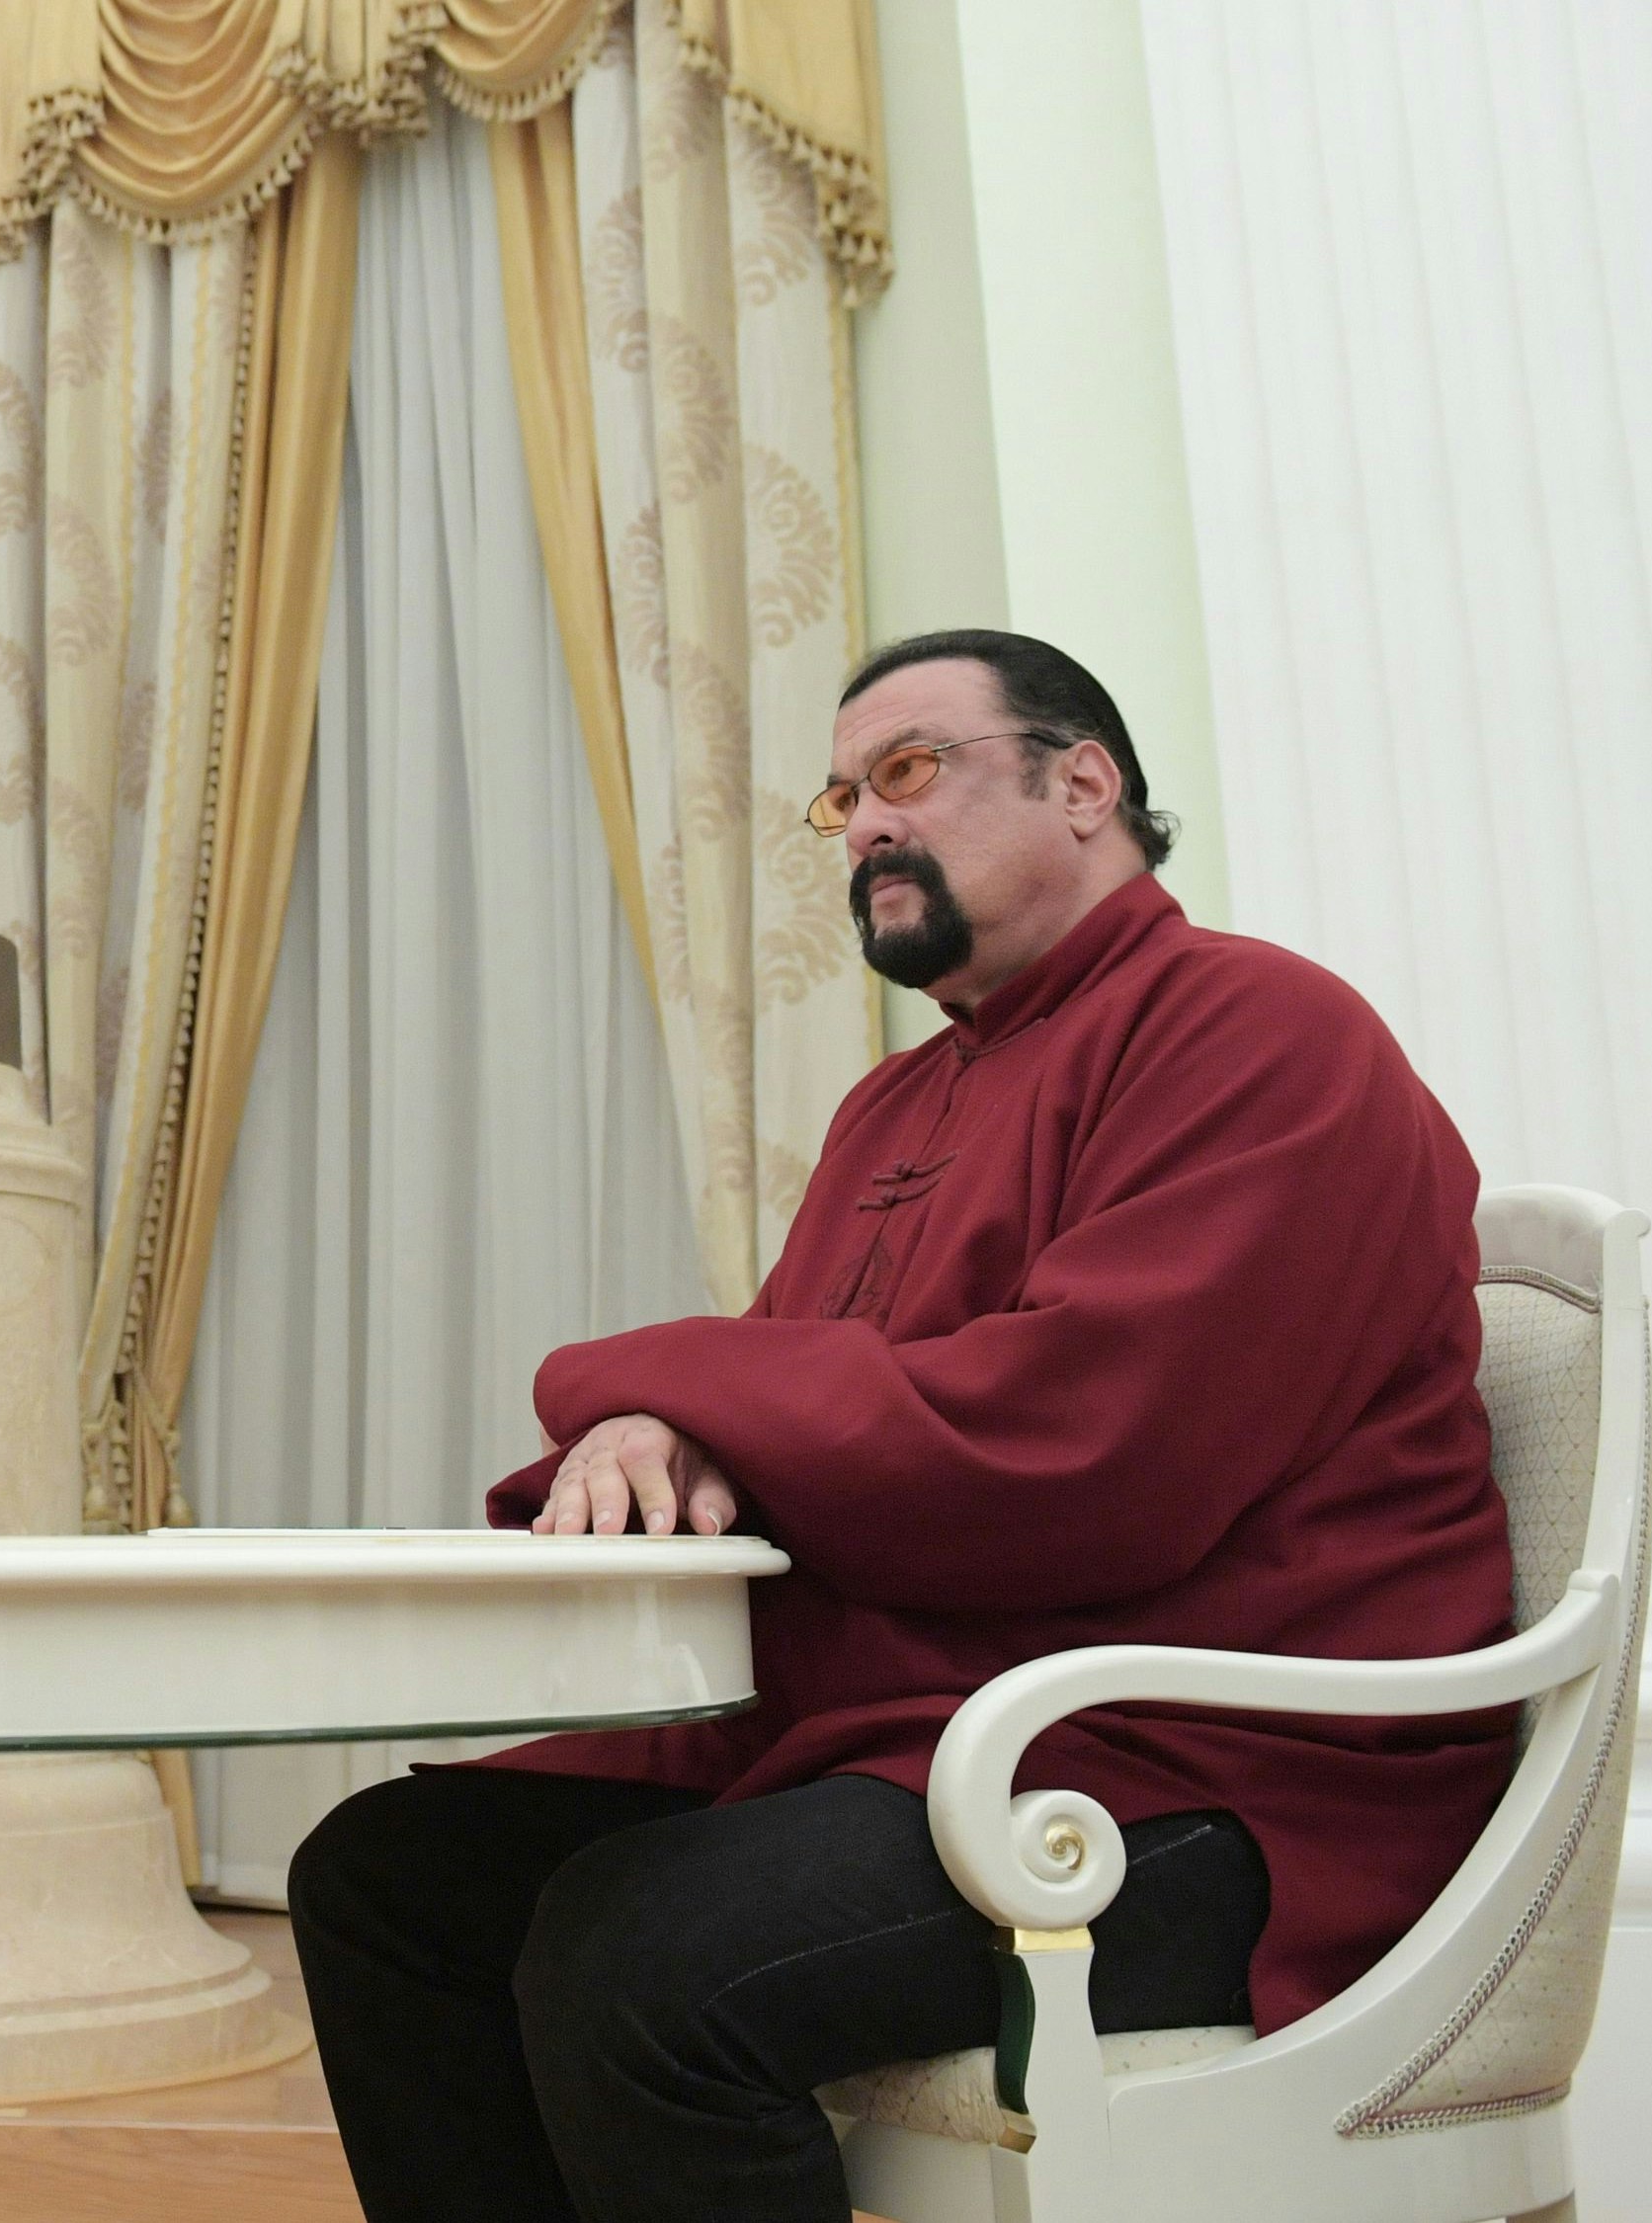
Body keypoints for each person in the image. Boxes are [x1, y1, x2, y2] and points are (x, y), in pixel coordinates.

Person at [289, 632, 1518, 2222]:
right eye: (844, 796)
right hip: (945, 1732)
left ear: (1088, 784)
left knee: (646, 1956)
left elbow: (1080, 1458)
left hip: (1217, 1775)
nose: (866, 821)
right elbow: (800, 1402)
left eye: (912, 771)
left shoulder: (1261, 1031)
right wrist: (663, 1425)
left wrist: (652, 1375)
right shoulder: (895, 1104)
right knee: (385, 1880)